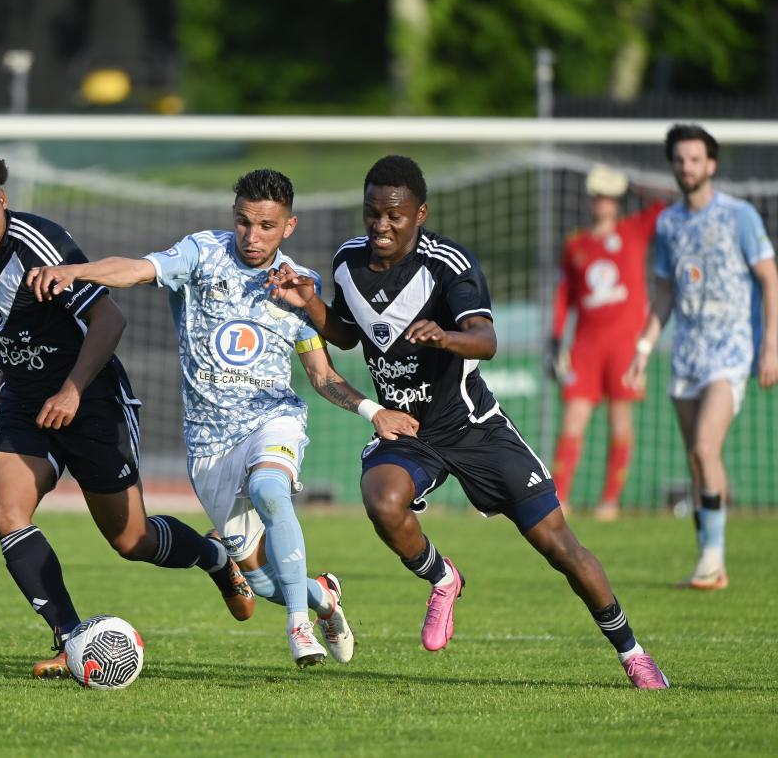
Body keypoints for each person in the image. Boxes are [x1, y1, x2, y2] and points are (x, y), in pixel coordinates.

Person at [267, 155, 669, 688]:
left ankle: (632, 652)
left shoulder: (449, 264)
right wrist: (312, 304)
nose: (381, 226)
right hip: (409, 431)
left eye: (395, 216)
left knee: (561, 548)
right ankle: (443, 578)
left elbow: (486, 340)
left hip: (473, 426)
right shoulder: (347, 263)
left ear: (420, 213)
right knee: (382, 499)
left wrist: (444, 337)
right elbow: (349, 333)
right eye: (372, 214)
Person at [27, 168, 419, 667]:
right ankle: (322, 599)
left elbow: (322, 376)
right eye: (243, 223)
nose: (252, 237)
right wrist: (75, 272)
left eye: (266, 227)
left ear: (289, 227)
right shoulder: (201, 253)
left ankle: (299, 627)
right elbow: (136, 269)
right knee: (257, 579)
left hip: (271, 420)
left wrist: (372, 410)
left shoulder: (300, 286)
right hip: (210, 444)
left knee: (270, 491)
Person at [0, 150, 254, 680]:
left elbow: (109, 320)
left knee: (133, 541)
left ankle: (214, 558)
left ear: (3, 200)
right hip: (24, 403)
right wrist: (6, 371)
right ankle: (70, 637)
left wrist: (72, 390)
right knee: (4, 508)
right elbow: (8, 322)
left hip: (92, 398)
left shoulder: (39, 241)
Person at [625, 124, 778, 590]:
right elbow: (665, 294)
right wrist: (643, 349)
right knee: (696, 462)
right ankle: (709, 562)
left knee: (705, 448)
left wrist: (769, 341)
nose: (687, 167)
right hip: (687, 357)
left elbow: (770, 279)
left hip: (731, 352)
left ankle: (712, 561)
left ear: (711, 165)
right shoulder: (669, 223)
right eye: (680, 159)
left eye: (695, 159)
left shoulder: (740, 216)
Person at [547, 165, 665, 521]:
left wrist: (634, 184)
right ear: (589, 199)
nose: (603, 202)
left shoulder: (634, 230)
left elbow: (664, 205)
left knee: (620, 423)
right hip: (585, 346)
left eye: (610, 195)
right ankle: (559, 499)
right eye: (598, 195)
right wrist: (555, 337)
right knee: (573, 421)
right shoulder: (576, 243)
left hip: (625, 346)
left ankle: (610, 501)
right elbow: (564, 294)